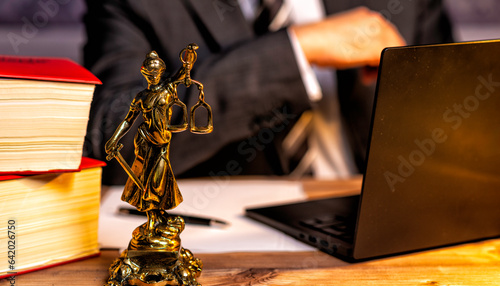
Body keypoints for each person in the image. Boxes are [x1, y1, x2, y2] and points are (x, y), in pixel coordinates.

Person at [83, 0, 453, 184]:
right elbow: (112, 140)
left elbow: (454, 120)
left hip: (378, 229)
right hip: (227, 254)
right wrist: (294, 52)